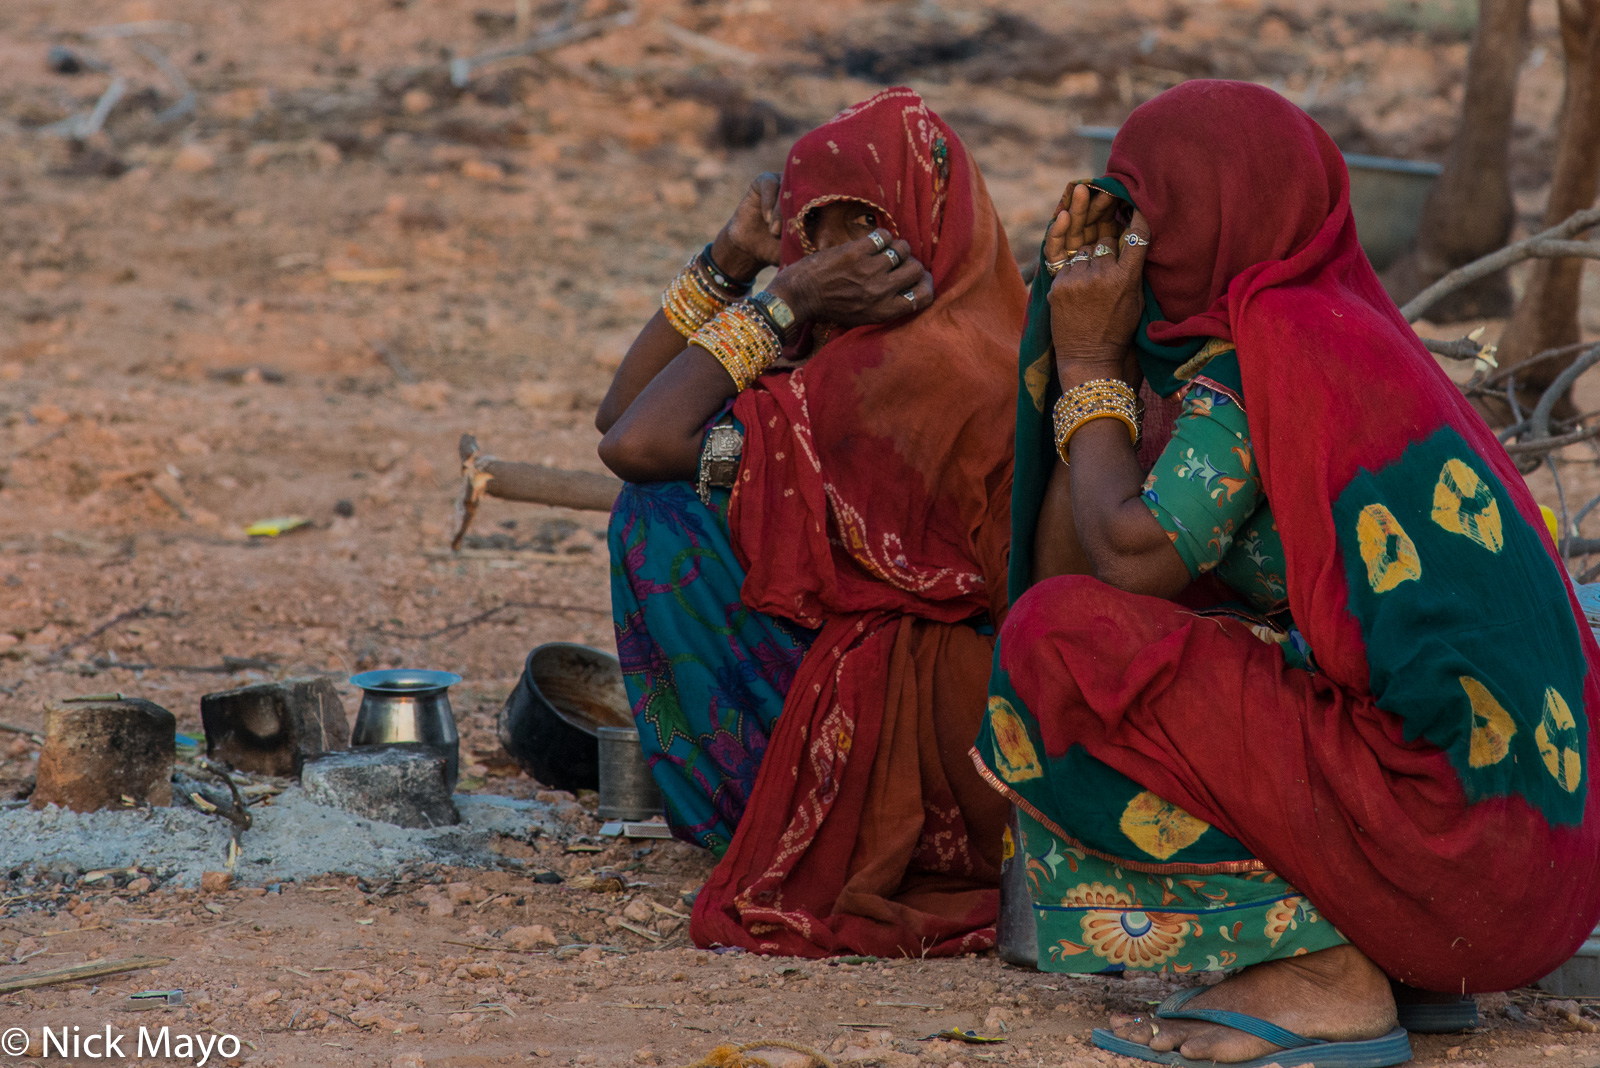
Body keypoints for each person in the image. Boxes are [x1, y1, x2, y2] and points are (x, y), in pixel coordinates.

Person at [974, 79, 1600, 1066]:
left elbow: (1121, 569)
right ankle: (1384, 955)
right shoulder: (1349, 332)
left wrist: (1089, 368)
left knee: (1056, 649)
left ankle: (1321, 975)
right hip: (1526, 868)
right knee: (1151, 620)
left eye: (1145, 214)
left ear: (1207, 219)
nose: (1127, 244)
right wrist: (1103, 366)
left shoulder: (1256, 364)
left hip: (1456, 857)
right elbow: (1077, 558)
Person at [595, 88, 1027, 957]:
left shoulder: (921, 366)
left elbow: (642, 442)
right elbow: (620, 415)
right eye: (815, 231)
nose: (837, 256)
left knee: (660, 519)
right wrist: (731, 262)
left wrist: (784, 296)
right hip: (899, 694)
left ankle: (781, 815)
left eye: (867, 229)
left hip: (949, 742)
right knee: (666, 506)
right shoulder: (840, 347)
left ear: (930, 226)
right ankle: (772, 800)